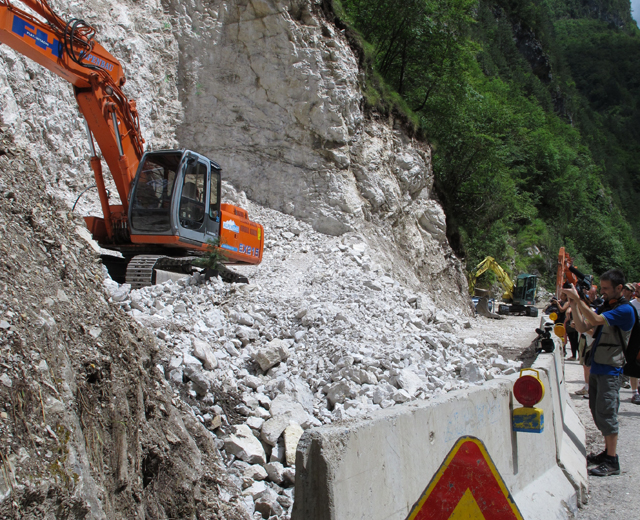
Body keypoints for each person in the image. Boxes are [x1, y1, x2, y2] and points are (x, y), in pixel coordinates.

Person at [563, 269, 635, 477]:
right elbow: (585, 326)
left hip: (611, 369)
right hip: (599, 365)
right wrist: (575, 305)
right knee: (598, 411)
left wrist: (579, 301)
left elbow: (593, 319)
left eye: (605, 289)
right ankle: (606, 453)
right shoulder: (608, 307)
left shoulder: (625, 310)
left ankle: (612, 460)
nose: (602, 293)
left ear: (619, 288)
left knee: (607, 413)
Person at [627, 283, 640, 404]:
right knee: (634, 367)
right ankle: (634, 392)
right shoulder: (631, 305)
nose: (637, 291)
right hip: (634, 339)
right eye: (637, 289)